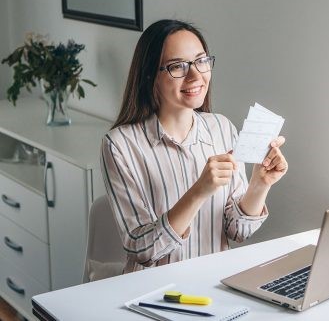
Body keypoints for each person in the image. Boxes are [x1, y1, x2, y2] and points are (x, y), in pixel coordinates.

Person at [100, 19, 288, 273]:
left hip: (213, 286)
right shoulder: (120, 145)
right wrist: (198, 191)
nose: (196, 76)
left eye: (201, 61)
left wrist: (260, 184)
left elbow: (238, 231)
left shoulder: (222, 128)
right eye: (177, 66)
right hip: (153, 294)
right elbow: (142, 250)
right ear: (149, 75)